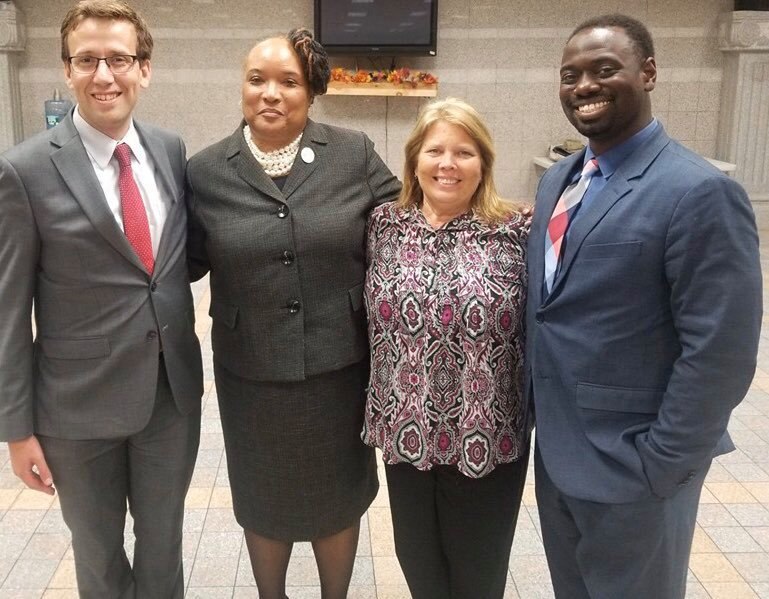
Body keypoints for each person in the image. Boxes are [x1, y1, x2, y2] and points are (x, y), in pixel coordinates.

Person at [527, 13, 762, 599]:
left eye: (605, 69)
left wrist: (663, 464)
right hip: (559, 459)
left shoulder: (699, 191)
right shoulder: (558, 180)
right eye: (570, 75)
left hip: (638, 471)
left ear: (649, 73)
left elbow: (721, 351)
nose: (584, 86)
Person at [186, 27, 400, 599]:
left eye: (288, 82)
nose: (270, 93)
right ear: (242, 87)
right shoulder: (206, 170)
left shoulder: (352, 153)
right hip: (251, 373)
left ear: (312, 92)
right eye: (257, 80)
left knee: (338, 496)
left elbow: (404, 226)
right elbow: (182, 261)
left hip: (339, 366)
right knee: (263, 497)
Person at [0, 1, 203, 597]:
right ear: (67, 71)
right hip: (76, 411)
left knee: (164, 548)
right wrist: (16, 429)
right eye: (87, 60)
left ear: (145, 69)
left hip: (169, 398)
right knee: (98, 558)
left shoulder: (169, 149)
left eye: (119, 59)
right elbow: (8, 312)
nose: (104, 75)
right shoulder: (24, 171)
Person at [363, 98, 530, 599]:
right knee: (419, 567)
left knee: (478, 577)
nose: (448, 164)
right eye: (435, 151)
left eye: (464, 152)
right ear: (414, 160)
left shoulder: (517, 230)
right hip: (406, 433)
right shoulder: (383, 225)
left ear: (484, 163)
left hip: (488, 437)